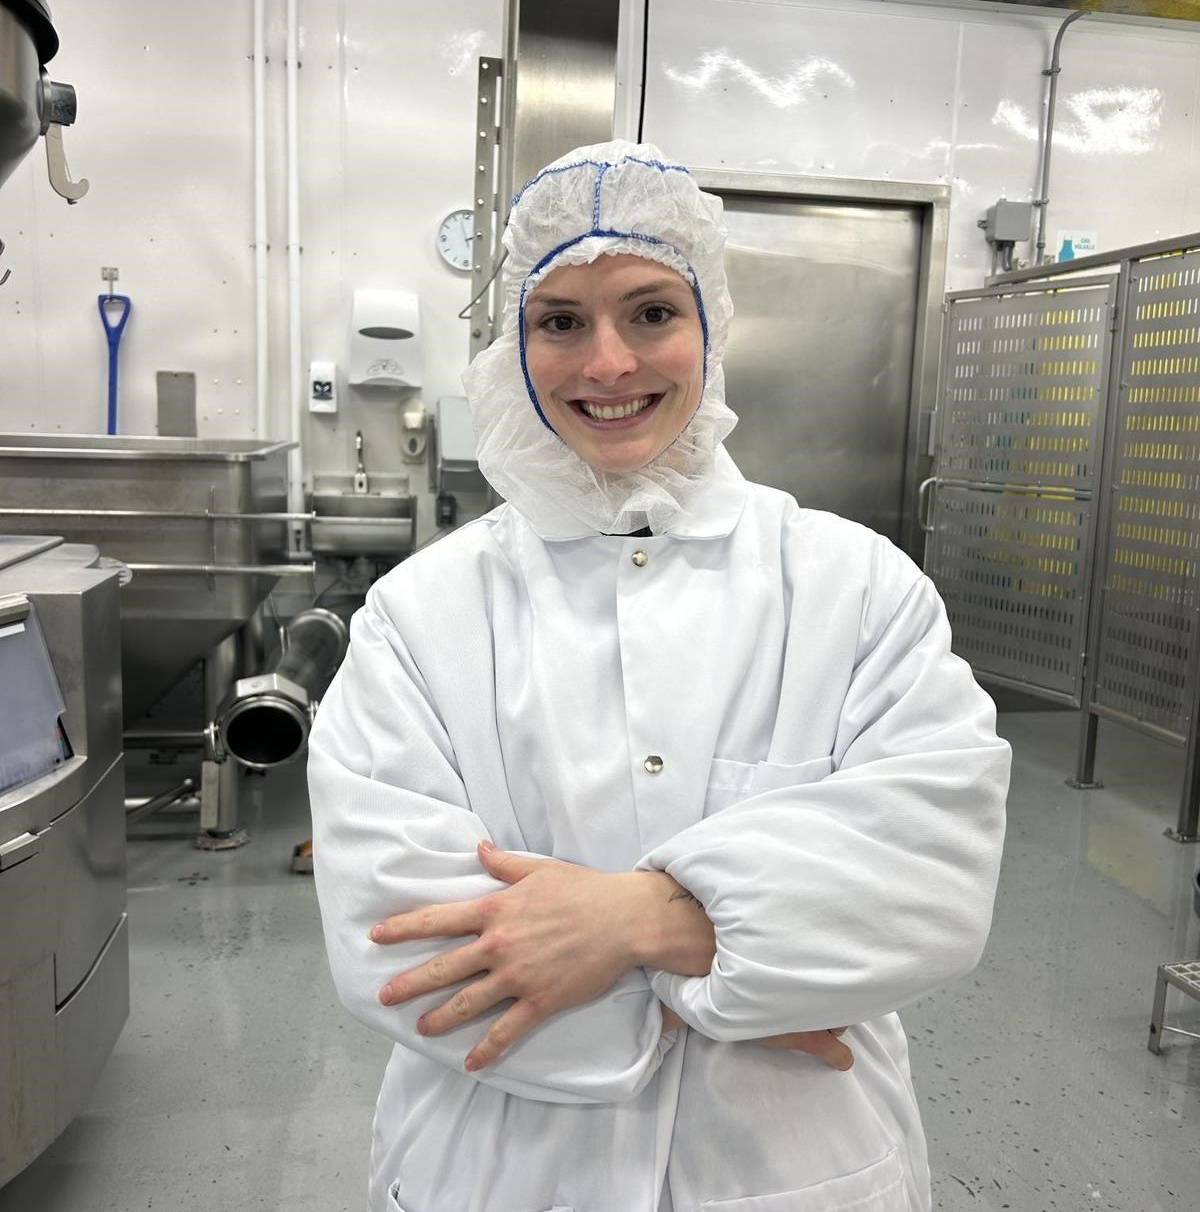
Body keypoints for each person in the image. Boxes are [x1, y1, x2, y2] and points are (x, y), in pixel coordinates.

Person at [308, 139, 1011, 1212]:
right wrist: (750, 958)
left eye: (650, 312)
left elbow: (932, 882)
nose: (608, 363)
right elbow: (394, 940)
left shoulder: (857, 587)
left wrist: (623, 926)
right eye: (561, 320)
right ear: (514, 344)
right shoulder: (421, 615)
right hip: (500, 1166)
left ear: (710, 329)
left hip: (792, 1168)